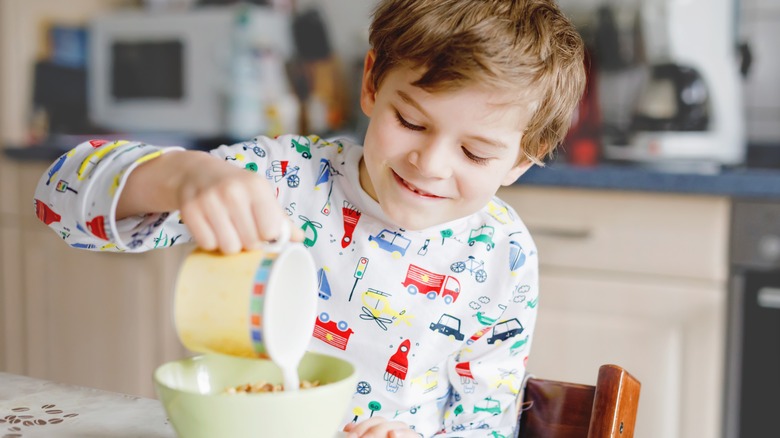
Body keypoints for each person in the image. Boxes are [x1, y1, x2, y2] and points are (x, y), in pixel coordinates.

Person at [33, 0, 585, 436]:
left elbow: (485, 424)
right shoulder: (282, 178)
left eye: (475, 154)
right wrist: (178, 177)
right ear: (371, 83)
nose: (431, 164)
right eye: (411, 121)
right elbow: (56, 200)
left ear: (522, 158)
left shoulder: (502, 254)